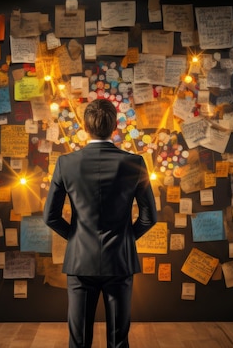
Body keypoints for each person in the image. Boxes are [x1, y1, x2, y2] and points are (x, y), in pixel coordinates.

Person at [43, 98, 158, 348]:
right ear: (115, 126)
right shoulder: (134, 163)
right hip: (120, 261)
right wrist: (125, 238)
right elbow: (149, 217)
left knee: (79, 341)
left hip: (79, 260)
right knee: (118, 340)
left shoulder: (66, 163)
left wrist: (76, 237)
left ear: (85, 127)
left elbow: (50, 216)